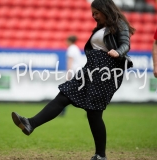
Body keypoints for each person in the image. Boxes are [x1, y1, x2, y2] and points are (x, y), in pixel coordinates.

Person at [11, 0, 135, 160]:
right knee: (63, 95)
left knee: (94, 113)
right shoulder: (100, 28)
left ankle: (101, 155)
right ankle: (30, 123)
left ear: (105, 9)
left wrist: (118, 52)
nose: (94, 16)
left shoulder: (119, 24)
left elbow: (126, 44)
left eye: (96, 13)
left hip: (107, 71)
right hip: (90, 69)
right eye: (93, 13)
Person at [59, 35, 83, 116]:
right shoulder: (76, 48)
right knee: (80, 93)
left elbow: (70, 62)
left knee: (64, 92)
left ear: (69, 41)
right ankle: (91, 110)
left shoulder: (71, 49)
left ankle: (62, 111)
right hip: (78, 73)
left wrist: (68, 74)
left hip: (73, 74)